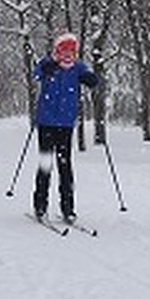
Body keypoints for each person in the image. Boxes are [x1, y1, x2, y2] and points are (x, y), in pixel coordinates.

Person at [32, 32, 100, 224]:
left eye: (72, 51)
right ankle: (40, 205)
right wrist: (48, 66)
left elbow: (93, 81)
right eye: (65, 51)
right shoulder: (48, 64)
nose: (68, 55)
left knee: (65, 166)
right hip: (46, 123)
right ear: (58, 50)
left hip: (66, 124)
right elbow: (36, 74)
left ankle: (68, 208)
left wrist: (91, 79)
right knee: (45, 164)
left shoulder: (78, 67)